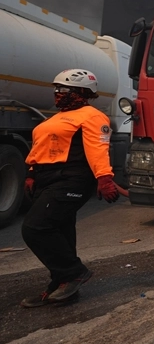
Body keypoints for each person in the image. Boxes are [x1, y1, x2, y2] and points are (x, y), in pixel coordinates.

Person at [21, 69, 120, 308]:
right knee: (61, 231)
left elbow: (98, 148)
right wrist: (32, 173)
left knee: (35, 228)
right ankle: (62, 287)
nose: (58, 93)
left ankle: (74, 273)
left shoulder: (92, 116)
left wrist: (104, 178)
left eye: (64, 89)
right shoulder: (56, 118)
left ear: (82, 93)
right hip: (47, 178)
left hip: (71, 178)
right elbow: (42, 147)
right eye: (56, 89)